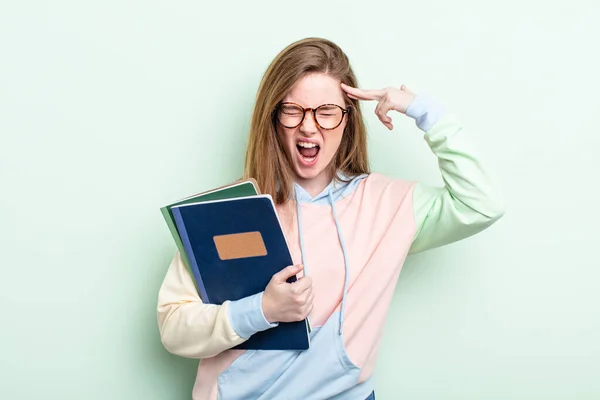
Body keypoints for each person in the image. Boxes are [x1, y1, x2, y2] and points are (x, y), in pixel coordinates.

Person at [157, 37, 505, 400]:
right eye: (293, 110)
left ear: (347, 119)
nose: (309, 127)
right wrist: (261, 310)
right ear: (274, 118)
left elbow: (482, 203)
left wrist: (424, 111)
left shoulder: (387, 205)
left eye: (326, 111)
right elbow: (173, 327)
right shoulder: (230, 212)